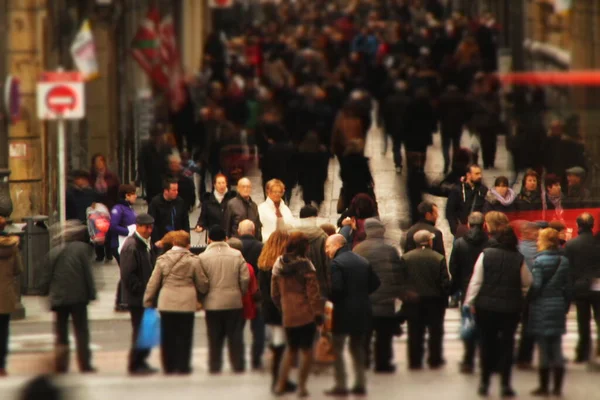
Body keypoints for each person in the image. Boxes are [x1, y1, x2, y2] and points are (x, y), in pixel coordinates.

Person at [465, 226, 533, 397]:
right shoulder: (519, 258)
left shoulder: (485, 255)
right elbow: (527, 283)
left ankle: (484, 382)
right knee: (507, 345)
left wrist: (469, 302)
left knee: (486, 344)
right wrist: (521, 297)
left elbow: (476, 281)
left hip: (485, 307)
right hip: (510, 309)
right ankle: (505, 384)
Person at [324, 234, 380, 396]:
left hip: (343, 311)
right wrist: (361, 294)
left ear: (337, 245)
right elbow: (376, 283)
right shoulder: (362, 260)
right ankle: (360, 383)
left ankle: (341, 385)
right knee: (357, 348)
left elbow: (337, 289)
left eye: (328, 246)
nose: (327, 250)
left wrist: (330, 299)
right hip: (362, 309)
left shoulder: (336, 264)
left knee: (337, 348)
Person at [39, 221, 96, 373]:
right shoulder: (82, 250)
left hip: (59, 298)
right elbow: (87, 274)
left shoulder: (54, 252)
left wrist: (44, 292)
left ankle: (61, 365)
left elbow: (46, 276)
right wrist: (92, 293)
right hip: (78, 298)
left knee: (61, 334)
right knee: (81, 332)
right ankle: (85, 365)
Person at [143, 231, 203, 375]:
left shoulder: (162, 259)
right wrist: (201, 296)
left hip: (167, 301)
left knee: (168, 335)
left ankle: (169, 365)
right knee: (185, 335)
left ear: (174, 243)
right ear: (188, 244)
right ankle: (183, 365)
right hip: (187, 302)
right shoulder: (194, 260)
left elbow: (153, 283)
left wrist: (148, 300)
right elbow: (202, 283)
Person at [271, 232, 323, 397]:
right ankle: (302, 386)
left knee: (290, 350)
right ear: (304, 247)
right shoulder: (306, 265)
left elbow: (274, 293)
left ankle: (280, 384)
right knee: (307, 351)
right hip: (306, 314)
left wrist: (282, 307)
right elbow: (313, 293)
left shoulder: (278, 264)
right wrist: (317, 313)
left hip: (288, 314)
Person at [197, 225, 249, 373]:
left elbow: (201, 282)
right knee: (235, 336)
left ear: (209, 239)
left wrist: (203, 295)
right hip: (233, 301)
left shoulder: (202, 257)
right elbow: (245, 278)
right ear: (226, 238)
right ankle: (238, 364)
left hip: (212, 303)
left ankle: (215, 365)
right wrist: (240, 292)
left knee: (214, 337)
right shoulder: (237, 254)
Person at [354, 218, 404, 373]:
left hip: (365, 300)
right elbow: (398, 273)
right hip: (385, 301)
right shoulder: (390, 249)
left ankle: (364, 361)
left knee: (365, 335)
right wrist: (398, 293)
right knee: (384, 336)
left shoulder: (358, 249)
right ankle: (383, 364)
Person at [400, 230, 451, 370]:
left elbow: (401, 280)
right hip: (434, 301)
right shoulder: (438, 257)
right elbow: (445, 282)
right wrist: (444, 296)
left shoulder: (406, 258)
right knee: (435, 331)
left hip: (413, 301)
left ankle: (415, 360)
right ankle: (435, 359)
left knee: (414, 331)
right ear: (429, 241)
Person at [529, 228, 570, 397]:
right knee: (557, 346)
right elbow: (568, 288)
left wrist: (529, 299)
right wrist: (564, 305)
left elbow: (536, 286)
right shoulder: (564, 261)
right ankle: (558, 387)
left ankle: (544, 386)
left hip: (542, 306)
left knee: (544, 348)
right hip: (558, 305)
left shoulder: (538, 261)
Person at [257, 230, 297, 393]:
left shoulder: (264, 263)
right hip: (282, 309)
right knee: (282, 345)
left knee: (277, 343)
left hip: (268, 309)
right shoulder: (283, 265)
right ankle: (279, 380)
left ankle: (280, 379)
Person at [448, 212, 488, 373]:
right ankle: (486, 358)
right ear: (484, 225)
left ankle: (468, 360)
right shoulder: (490, 243)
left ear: (469, 225)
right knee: (485, 325)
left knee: (468, 323)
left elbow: (454, 267)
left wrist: (456, 287)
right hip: (485, 288)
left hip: (466, 288)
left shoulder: (459, 243)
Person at [120, 213, 158, 375]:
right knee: (140, 330)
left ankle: (140, 360)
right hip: (138, 298)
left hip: (145, 296)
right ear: (138, 226)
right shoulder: (132, 245)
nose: (149, 230)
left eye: (151, 227)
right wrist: (142, 290)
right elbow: (128, 275)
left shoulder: (144, 244)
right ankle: (135, 363)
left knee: (145, 329)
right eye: (146, 227)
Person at [564, 213, 600, 363]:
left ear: (578, 225)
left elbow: (568, 269)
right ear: (592, 225)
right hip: (598, 283)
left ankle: (582, 352)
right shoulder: (597, 243)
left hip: (579, 285)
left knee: (583, 321)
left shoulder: (571, 244)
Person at [237, 220, 266, 370]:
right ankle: (256, 358)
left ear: (239, 231)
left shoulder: (233, 247)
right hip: (256, 292)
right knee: (258, 328)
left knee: (237, 328)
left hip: (238, 292)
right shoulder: (261, 247)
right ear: (254, 231)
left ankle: (239, 359)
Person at [516, 221, 544, 369]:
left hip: (518, 292)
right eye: (535, 232)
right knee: (529, 325)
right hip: (533, 292)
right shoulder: (539, 250)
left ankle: (518, 355)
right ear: (528, 233)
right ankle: (525, 356)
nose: (537, 234)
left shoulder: (517, 248)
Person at [109, 184, 138, 312]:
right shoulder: (118, 209)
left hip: (127, 243)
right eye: (133, 194)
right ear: (127, 196)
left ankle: (124, 300)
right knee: (126, 272)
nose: (136, 196)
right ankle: (121, 301)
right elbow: (113, 226)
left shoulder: (128, 208)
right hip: (119, 244)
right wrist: (127, 231)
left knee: (127, 272)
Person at [0, 216, 22, 376]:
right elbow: (18, 269)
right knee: (4, 331)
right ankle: (1, 365)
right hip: (6, 295)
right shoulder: (12, 246)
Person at [294, 205, 330, 300]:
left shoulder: (292, 237)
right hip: (319, 285)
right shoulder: (323, 237)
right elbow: (327, 263)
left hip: (298, 286)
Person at [90, 154, 120, 262]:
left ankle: (109, 251)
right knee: (97, 229)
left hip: (110, 206)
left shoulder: (111, 176)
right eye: (96, 162)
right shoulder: (92, 177)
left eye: (100, 161)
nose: (99, 164)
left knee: (108, 229)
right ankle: (99, 253)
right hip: (97, 207)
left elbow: (116, 191)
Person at [446, 164, 488, 237]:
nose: (480, 176)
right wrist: (455, 229)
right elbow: (450, 212)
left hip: (480, 231)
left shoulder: (483, 190)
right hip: (462, 231)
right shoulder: (457, 190)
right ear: (468, 175)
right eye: (477, 174)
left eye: (480, 173)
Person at [148, 179, 190, 247]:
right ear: (166, 191)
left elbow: (185, 222)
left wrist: (187, 240)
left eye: (177, 190)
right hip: (161, 240)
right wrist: (156, 240)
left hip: (178, 241)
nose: (176, 192)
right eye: (173, 190)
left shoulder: (180, 202)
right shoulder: (155, 203)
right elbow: (152, 223)